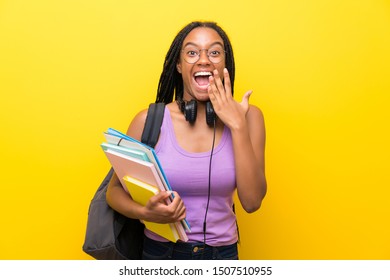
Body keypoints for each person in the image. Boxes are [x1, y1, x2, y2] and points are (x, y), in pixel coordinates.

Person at [106, 21, 267, 260]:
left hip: (222, 256)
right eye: (192, 52)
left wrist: (237, 125)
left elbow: (252, 202)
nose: (203, 59)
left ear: (225, 65)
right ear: (179, 66)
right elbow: (114, 192)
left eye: (214, 52)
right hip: (161, 254)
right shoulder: (148, 120)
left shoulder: (249, 118)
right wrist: (146, 212)